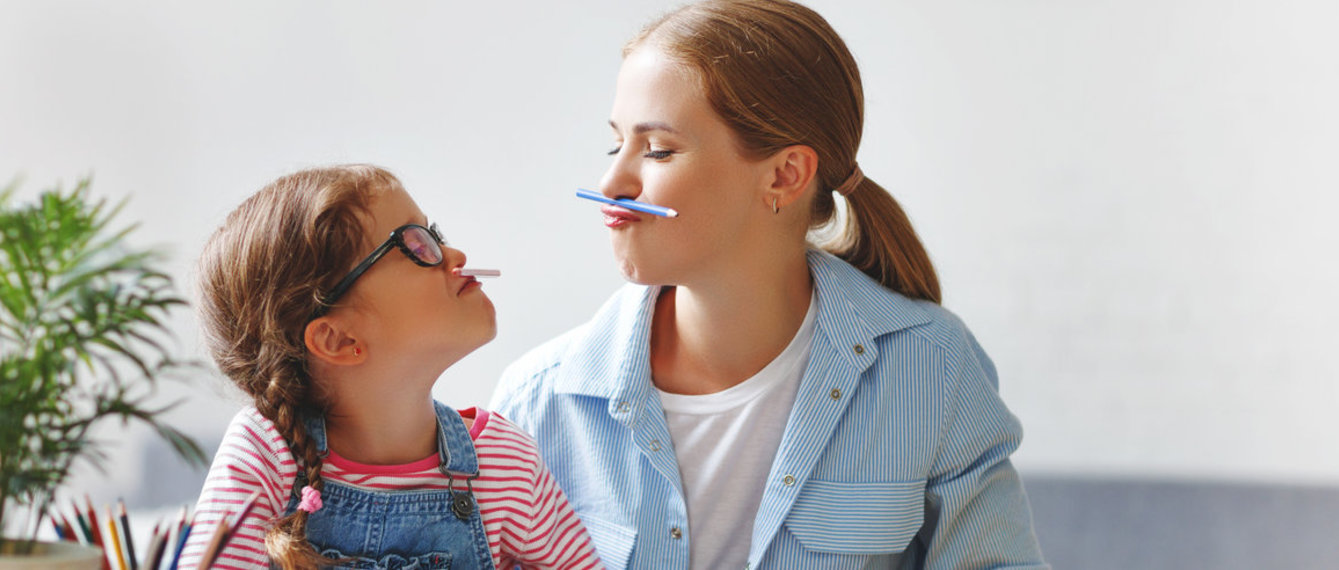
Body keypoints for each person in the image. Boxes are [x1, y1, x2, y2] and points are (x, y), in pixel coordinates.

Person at [490, 1, 1048, 568]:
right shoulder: (537, 403)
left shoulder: (933, 367)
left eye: (657, 149)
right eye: (617, 144)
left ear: (784, 175)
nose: (612, 181)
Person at [183, 165, 603, 570]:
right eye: (416, 245)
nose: (454, 254)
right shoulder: (266, 453)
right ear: (339, 340)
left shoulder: (505, 462)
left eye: (434, 235)